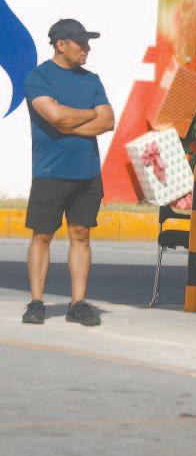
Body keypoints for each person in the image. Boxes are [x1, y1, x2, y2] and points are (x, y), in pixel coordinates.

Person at [20, 19, 115, 326]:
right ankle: (36, 302)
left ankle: (78, 303)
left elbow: (107, 121)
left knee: (81, 235)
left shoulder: (92, 80)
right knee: (42, 235)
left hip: (87, 172)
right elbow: (54, 115)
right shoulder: (38, 78)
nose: (87, 48)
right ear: (61, 44)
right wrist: (88, 115)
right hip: (50, 171)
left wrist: (70, 122)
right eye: (81, 42)